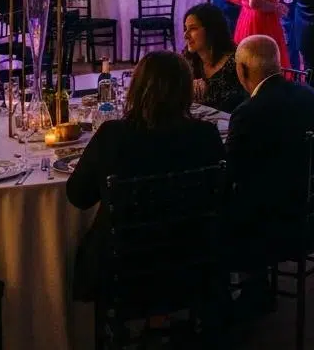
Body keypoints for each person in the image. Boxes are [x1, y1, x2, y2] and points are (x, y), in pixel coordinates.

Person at [65, 52, 225, 301]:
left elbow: (78, 196)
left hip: (125, 264)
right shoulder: (205, 135)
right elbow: (220, 194)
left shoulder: (114, 135)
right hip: (193, 255)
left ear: (136, 88)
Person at [225, 35, 314, 302]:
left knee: (222, 206)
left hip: (280, 219)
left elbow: (231, 172)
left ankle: (249, 293)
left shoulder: (249, 112)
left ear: (242, 70)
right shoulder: (308, 93)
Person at [183, 3, 245, 113]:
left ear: (211, 30)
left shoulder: (235, 63)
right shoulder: (188, 59)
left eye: (193, 29)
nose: (185, 35)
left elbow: (238, 105)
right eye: (185, 29)